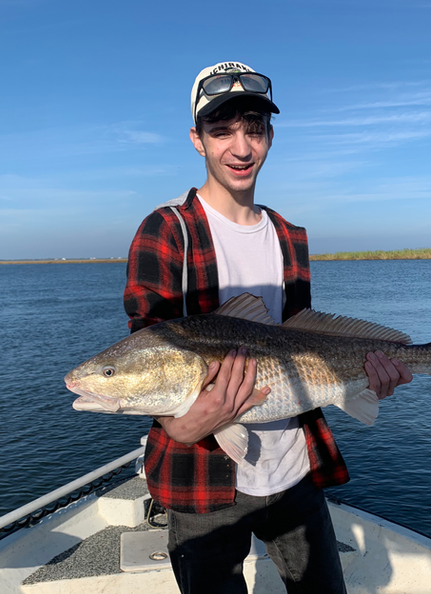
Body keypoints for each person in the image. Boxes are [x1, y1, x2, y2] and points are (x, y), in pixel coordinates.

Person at [123, 61, 412, 594]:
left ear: (270, 137)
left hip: (295, 469)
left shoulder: (289, 236)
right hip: (203, 482)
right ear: (196, 139)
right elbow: (149, 354)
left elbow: (306, 337)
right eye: (221, 130)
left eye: (253, 128)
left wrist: (367, 376)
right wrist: (175, 423)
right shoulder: (167, 230)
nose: (240, 147)